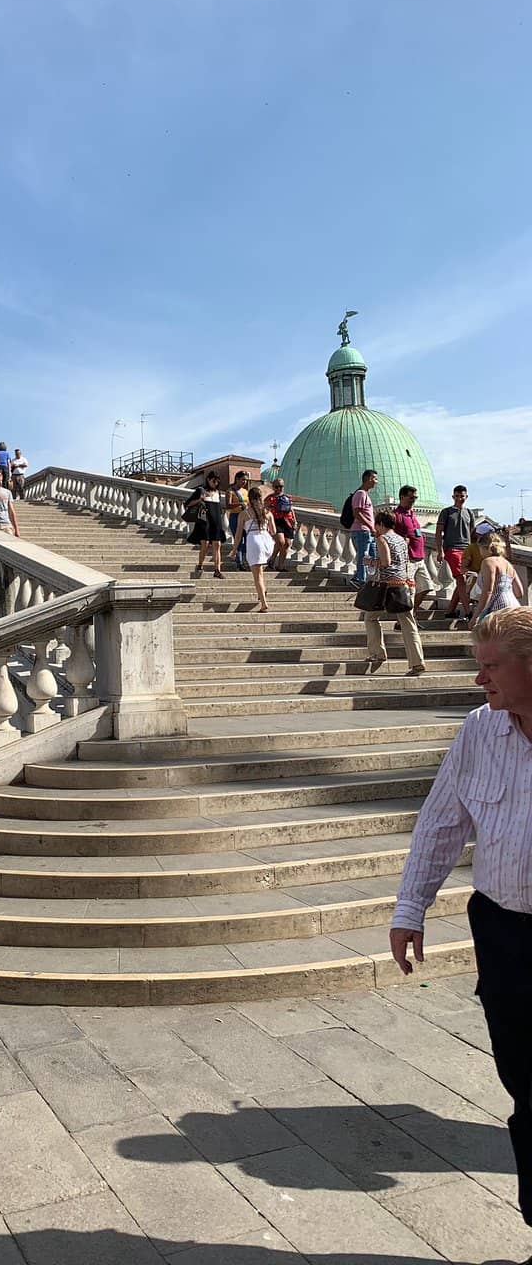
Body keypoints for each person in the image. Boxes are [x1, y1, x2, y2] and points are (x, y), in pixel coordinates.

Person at [390, 607, 532, 1231]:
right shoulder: (478, 731)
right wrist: (409, 907)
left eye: (491, 666)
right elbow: (442, 822)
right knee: (525, 1092)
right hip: (504, 936)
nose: (480, 681)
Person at [361, 510, 425, 674]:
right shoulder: (401, 539)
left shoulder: (382, 538)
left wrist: (370, 561)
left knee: (370, 617)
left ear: (381, 524)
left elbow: (386, 562)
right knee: (408, 624)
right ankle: (417, 662)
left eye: (376, 524)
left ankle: (377, 653)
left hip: (387, 586)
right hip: (404, 584)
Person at [392, 485, 435, 627]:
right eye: (411, 497)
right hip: (408, 559)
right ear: (402, 497)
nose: (414, 500)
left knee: (427, 586)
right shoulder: (396, 515)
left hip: (420, 557)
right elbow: (391, 536)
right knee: (409, 591)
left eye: (415, 498)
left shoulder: (412, 513)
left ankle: (412, 614)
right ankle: (405, 621)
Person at [437, 484, 477, 620]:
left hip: (467, 549)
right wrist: (439, 551)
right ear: (453, 496)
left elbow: (473, 533)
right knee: (461, 578)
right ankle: (468, 612)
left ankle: (450, 610)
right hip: (452, 549)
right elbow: (438, 532)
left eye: (462, 496)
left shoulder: (469, 513)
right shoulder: (446, 512)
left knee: (463, 581)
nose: (460, 498)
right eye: (457, 496)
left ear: (466, 497)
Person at [234, 486, 275, 611]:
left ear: (249, 499)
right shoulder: (268, 513)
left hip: (254, 540)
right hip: (267, 541)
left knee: (257, 576)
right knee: (260, 572)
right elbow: (273, 531)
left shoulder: (244, 514)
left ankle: (264, 603)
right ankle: (262, 592)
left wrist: (235, 549)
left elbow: (238, 534)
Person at [469, 532, 522, 627]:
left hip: (497, 608)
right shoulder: (508, 564)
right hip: (514, 606)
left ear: (484, 547)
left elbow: (488, 591)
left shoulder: (488, 562)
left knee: (490, 640)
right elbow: (519, 593)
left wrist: (475, 617)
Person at [184, 470, 228, 578]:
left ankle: (217, 570)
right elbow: (187, 503)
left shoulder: (218, 493)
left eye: (217, 481)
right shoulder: (201, 491)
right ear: (208, 479)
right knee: (205, 544)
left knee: (217, 544)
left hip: (216, 521)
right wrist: (200, 499)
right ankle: (200, 564)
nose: (215, 483)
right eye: (213, 480)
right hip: (204, 521)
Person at [348, 468, 378, 589]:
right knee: (364, 556)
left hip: (366, 531)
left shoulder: (364, 494)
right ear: (369, 479)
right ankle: (360, 579)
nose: (377, 481)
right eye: (375, 479)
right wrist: (371, 526)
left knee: (372, 556)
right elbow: (357, 513)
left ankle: (363, 578)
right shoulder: (360, 494)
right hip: (362, 530)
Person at [265, 478, 295, 572]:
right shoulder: (270, 498)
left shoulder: (288, 497)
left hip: (287, 521)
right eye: (277, 487)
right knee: (281, 541)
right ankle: (272, 559)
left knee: (287, 543)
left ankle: (280, 566)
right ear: (273, 487)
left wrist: (295, 520)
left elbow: (291, 509)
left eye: (281, 486)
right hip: (276, 521)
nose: (279, 488)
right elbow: (265, 510)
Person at [226, 472, 250, 570]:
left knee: (247, 539)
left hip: (245, 517)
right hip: (235, 516)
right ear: (237, 479)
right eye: (243, 479)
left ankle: (245, 560)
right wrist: (240, 504)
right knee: (238, 539)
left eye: (246, 480)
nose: (244, 482)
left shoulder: (245, 491)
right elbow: (227, 505)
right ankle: (239, 562)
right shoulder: (230, 491)